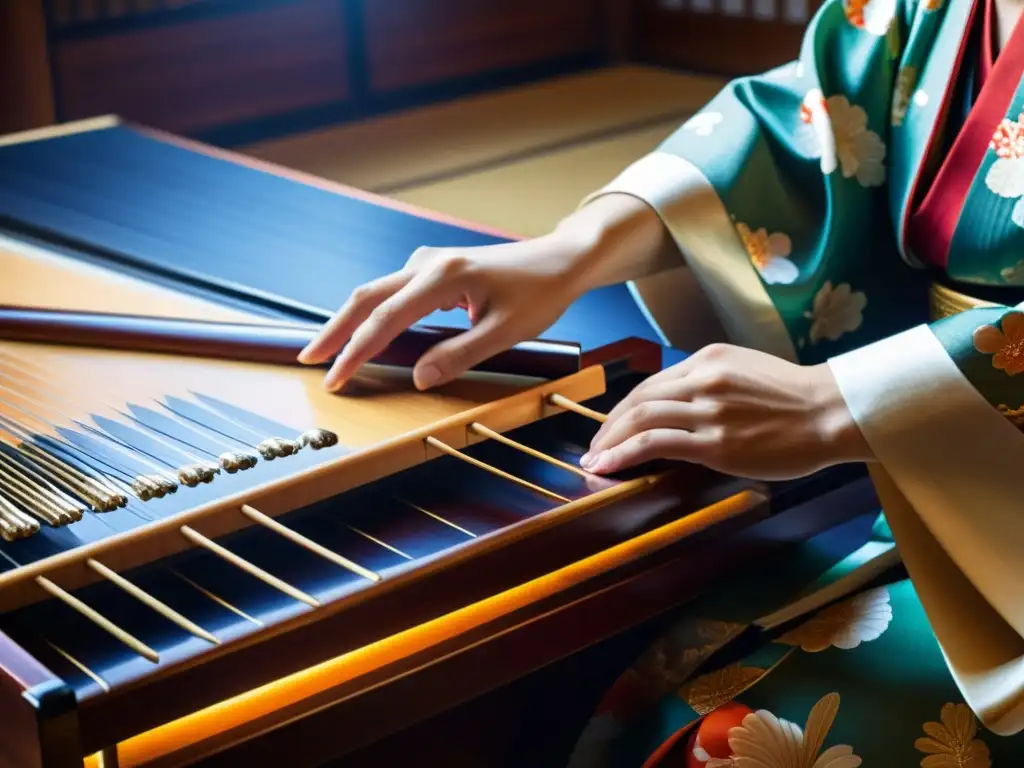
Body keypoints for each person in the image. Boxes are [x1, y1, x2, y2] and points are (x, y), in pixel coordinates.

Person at [298, 0, 1024, 759]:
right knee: (620, 689)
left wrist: (845, 398)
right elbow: (812, 125)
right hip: (957, 482)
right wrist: (572, 249)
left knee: (732, 743)